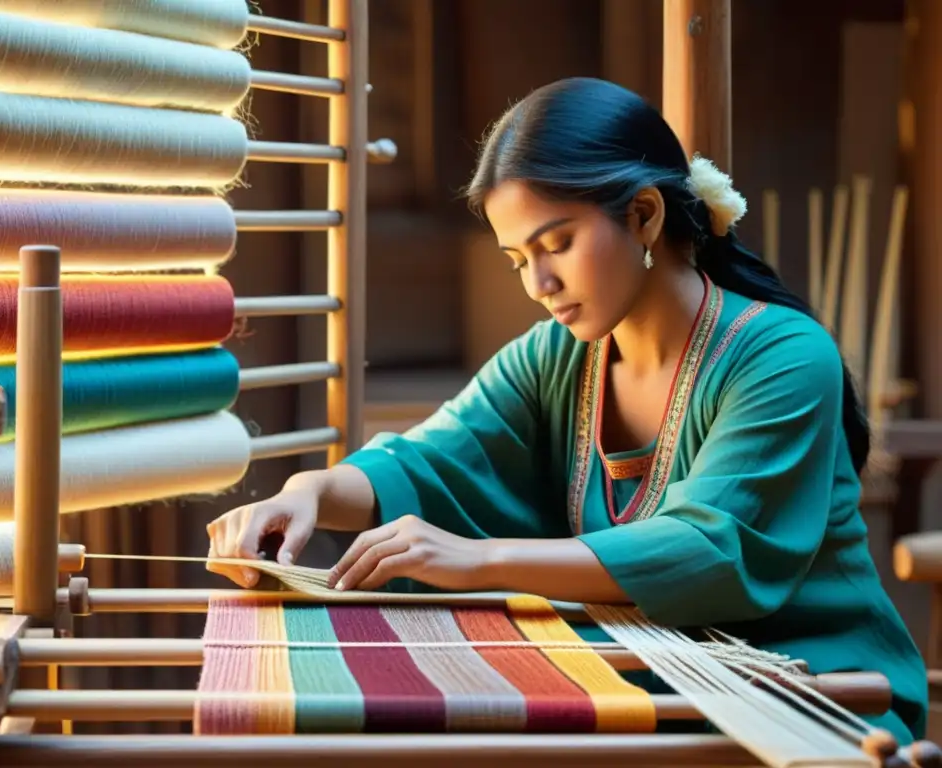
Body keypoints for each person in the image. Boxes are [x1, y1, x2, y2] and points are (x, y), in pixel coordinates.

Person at [206, 77, 927, 742]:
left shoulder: (783, 356)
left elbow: (712, 548)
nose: (539, 282)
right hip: (654, 678)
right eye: (518, 259)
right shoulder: (557, 355)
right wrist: (310, 493)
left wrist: (479, 560)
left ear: (643, 215)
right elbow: (436, 459)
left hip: (817, 694)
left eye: (557, 244)